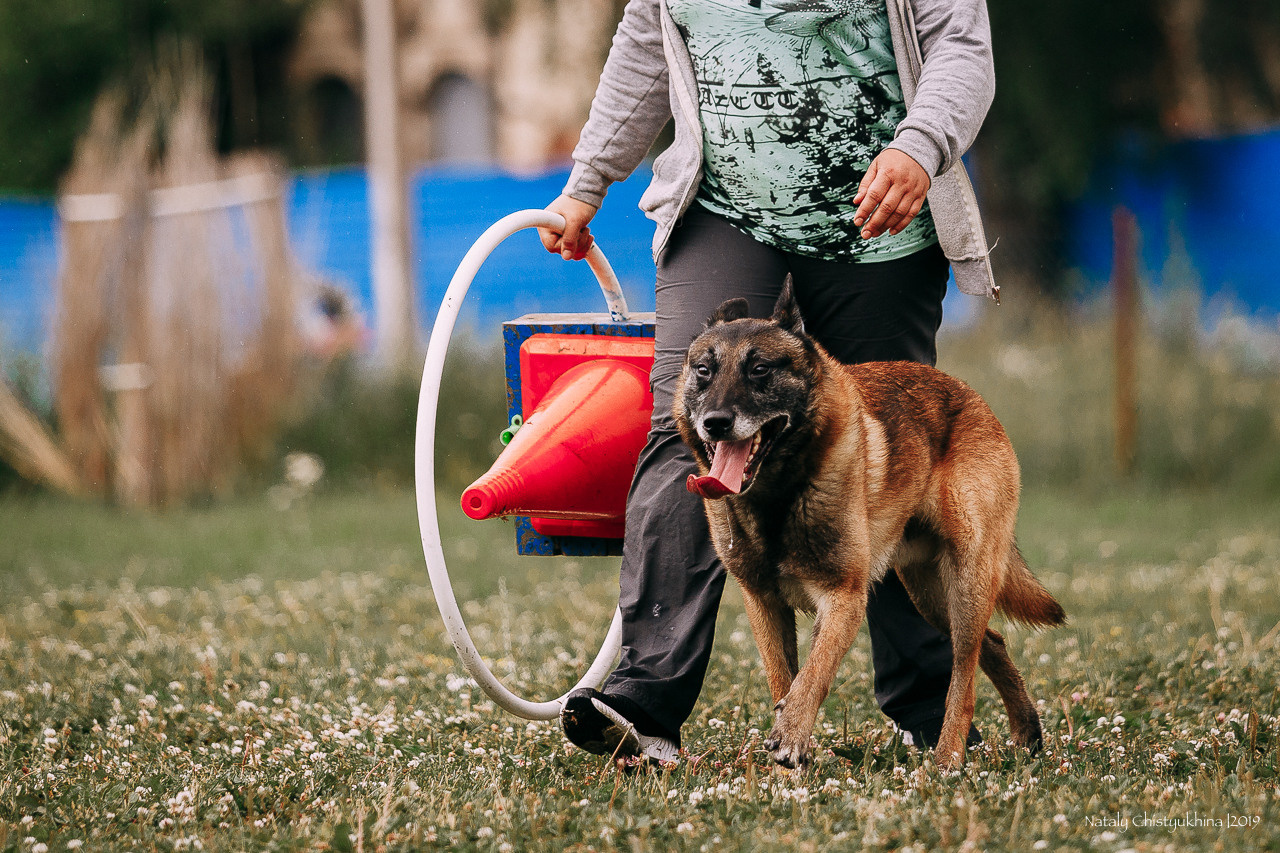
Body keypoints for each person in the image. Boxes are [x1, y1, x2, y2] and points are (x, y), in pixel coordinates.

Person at [538, 0, 999, 764]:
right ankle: (645, 701)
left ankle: (924, 702)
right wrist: (587, 183)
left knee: (888, 447)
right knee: (683, 419)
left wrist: (920, 147)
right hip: (725, 211)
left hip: (878, 221)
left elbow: (960, 43)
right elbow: (648, 42)